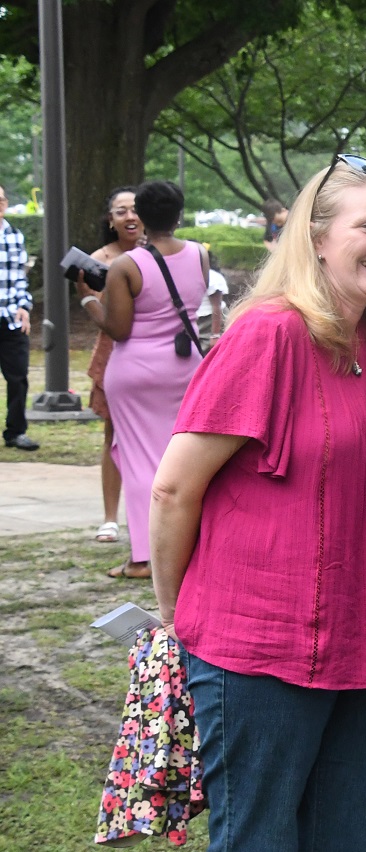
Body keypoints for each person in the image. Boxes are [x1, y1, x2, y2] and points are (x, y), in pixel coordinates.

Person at [147, 154, 366, 852]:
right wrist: (176, 617)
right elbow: (174, 487)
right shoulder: (268, 334)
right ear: (316, 235)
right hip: (255, 654)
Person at [81, 181, 207, 580]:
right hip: (184, 368)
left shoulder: (127, 265)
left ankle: (143, 557)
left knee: (138, 462)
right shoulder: (200, 254)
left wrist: (88, 298)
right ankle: (186, 547)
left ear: (142, 216)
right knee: (180, 460)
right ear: (179, 215)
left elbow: (118, 328)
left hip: (136, 371)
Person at [79, 185, 144, 541]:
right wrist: (87, 299)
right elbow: (104, 317)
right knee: (112, 436)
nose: (129, 217)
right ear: (110, 219)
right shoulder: (98, 260)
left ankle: (150, 516)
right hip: (114, 352)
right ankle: (110, 518)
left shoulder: (158, 253)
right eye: (121, 211)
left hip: (155, 356)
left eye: (135, 209)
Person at [0, 183, 35, 452]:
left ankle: (16, 432)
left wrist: (24, 306)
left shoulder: (14, 236)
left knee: (18, 377)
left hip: (11, 317)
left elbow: (21, 278)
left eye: (1, 201)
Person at [196, 248, 229, 344]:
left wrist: (215, 334)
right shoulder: (186, 275)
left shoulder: (213, 278)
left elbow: (216, 306)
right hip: (195, 319)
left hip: (209, 321)